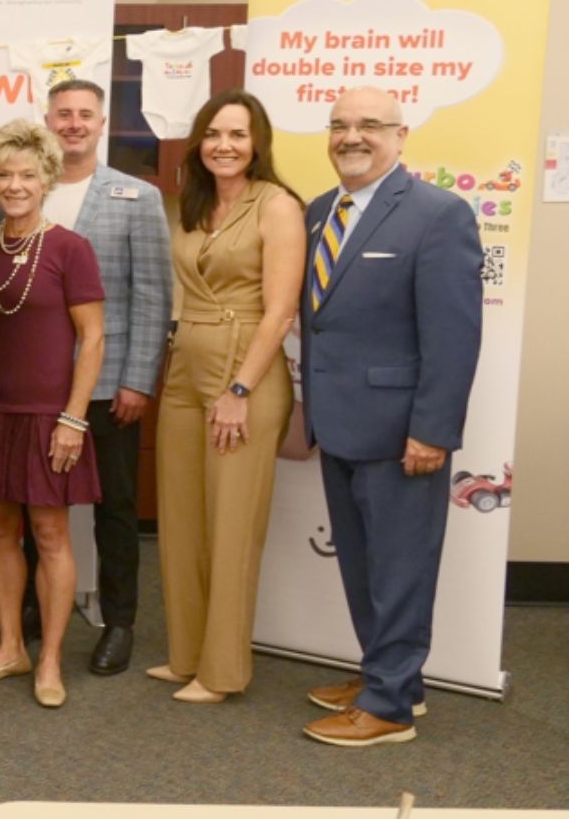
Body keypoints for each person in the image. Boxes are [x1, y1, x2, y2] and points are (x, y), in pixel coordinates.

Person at [299, 87, 482, 747]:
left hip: (402, 432)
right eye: (341, 125)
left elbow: (454, 337)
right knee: (364, 566)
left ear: (402, 136)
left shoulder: (438, 214)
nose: (353, 136)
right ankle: (389, 675)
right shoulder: (322, 212)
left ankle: (390, 709)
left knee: (401, 567)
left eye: (371, 125)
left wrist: (433, 430)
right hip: (339, 423)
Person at [149, 90, 305, 705]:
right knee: (182, 520)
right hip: (186, 365)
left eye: (238, 135)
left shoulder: (279, 206)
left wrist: (240, 388)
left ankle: (222, 670)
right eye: (214, 134)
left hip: (246, 369)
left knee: (232, 525)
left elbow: (281, 308)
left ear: (258, 143)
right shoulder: (195, 203)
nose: (224, 145)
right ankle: (186, 654)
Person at [0, 119, 104, 709]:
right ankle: (10, 648)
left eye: (27, 175)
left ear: (47, 179)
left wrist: (73, 419)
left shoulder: (71, 248)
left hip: (49, 416)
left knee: (49, 535)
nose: (16, 185)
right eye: (4, 175)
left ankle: (49, 661)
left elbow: (92, 340)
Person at [41, 80, 173, 675]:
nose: (73, 124)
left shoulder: (136, 197)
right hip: (35, 383)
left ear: (100, 125)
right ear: (48, 120)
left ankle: (119, 622)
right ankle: (28, 614)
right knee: (31, 504)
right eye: (63, 114)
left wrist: (139, 379)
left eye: (84, 115)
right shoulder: (23, 189)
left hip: (108, 382)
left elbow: (152, 294)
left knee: (116, 509)